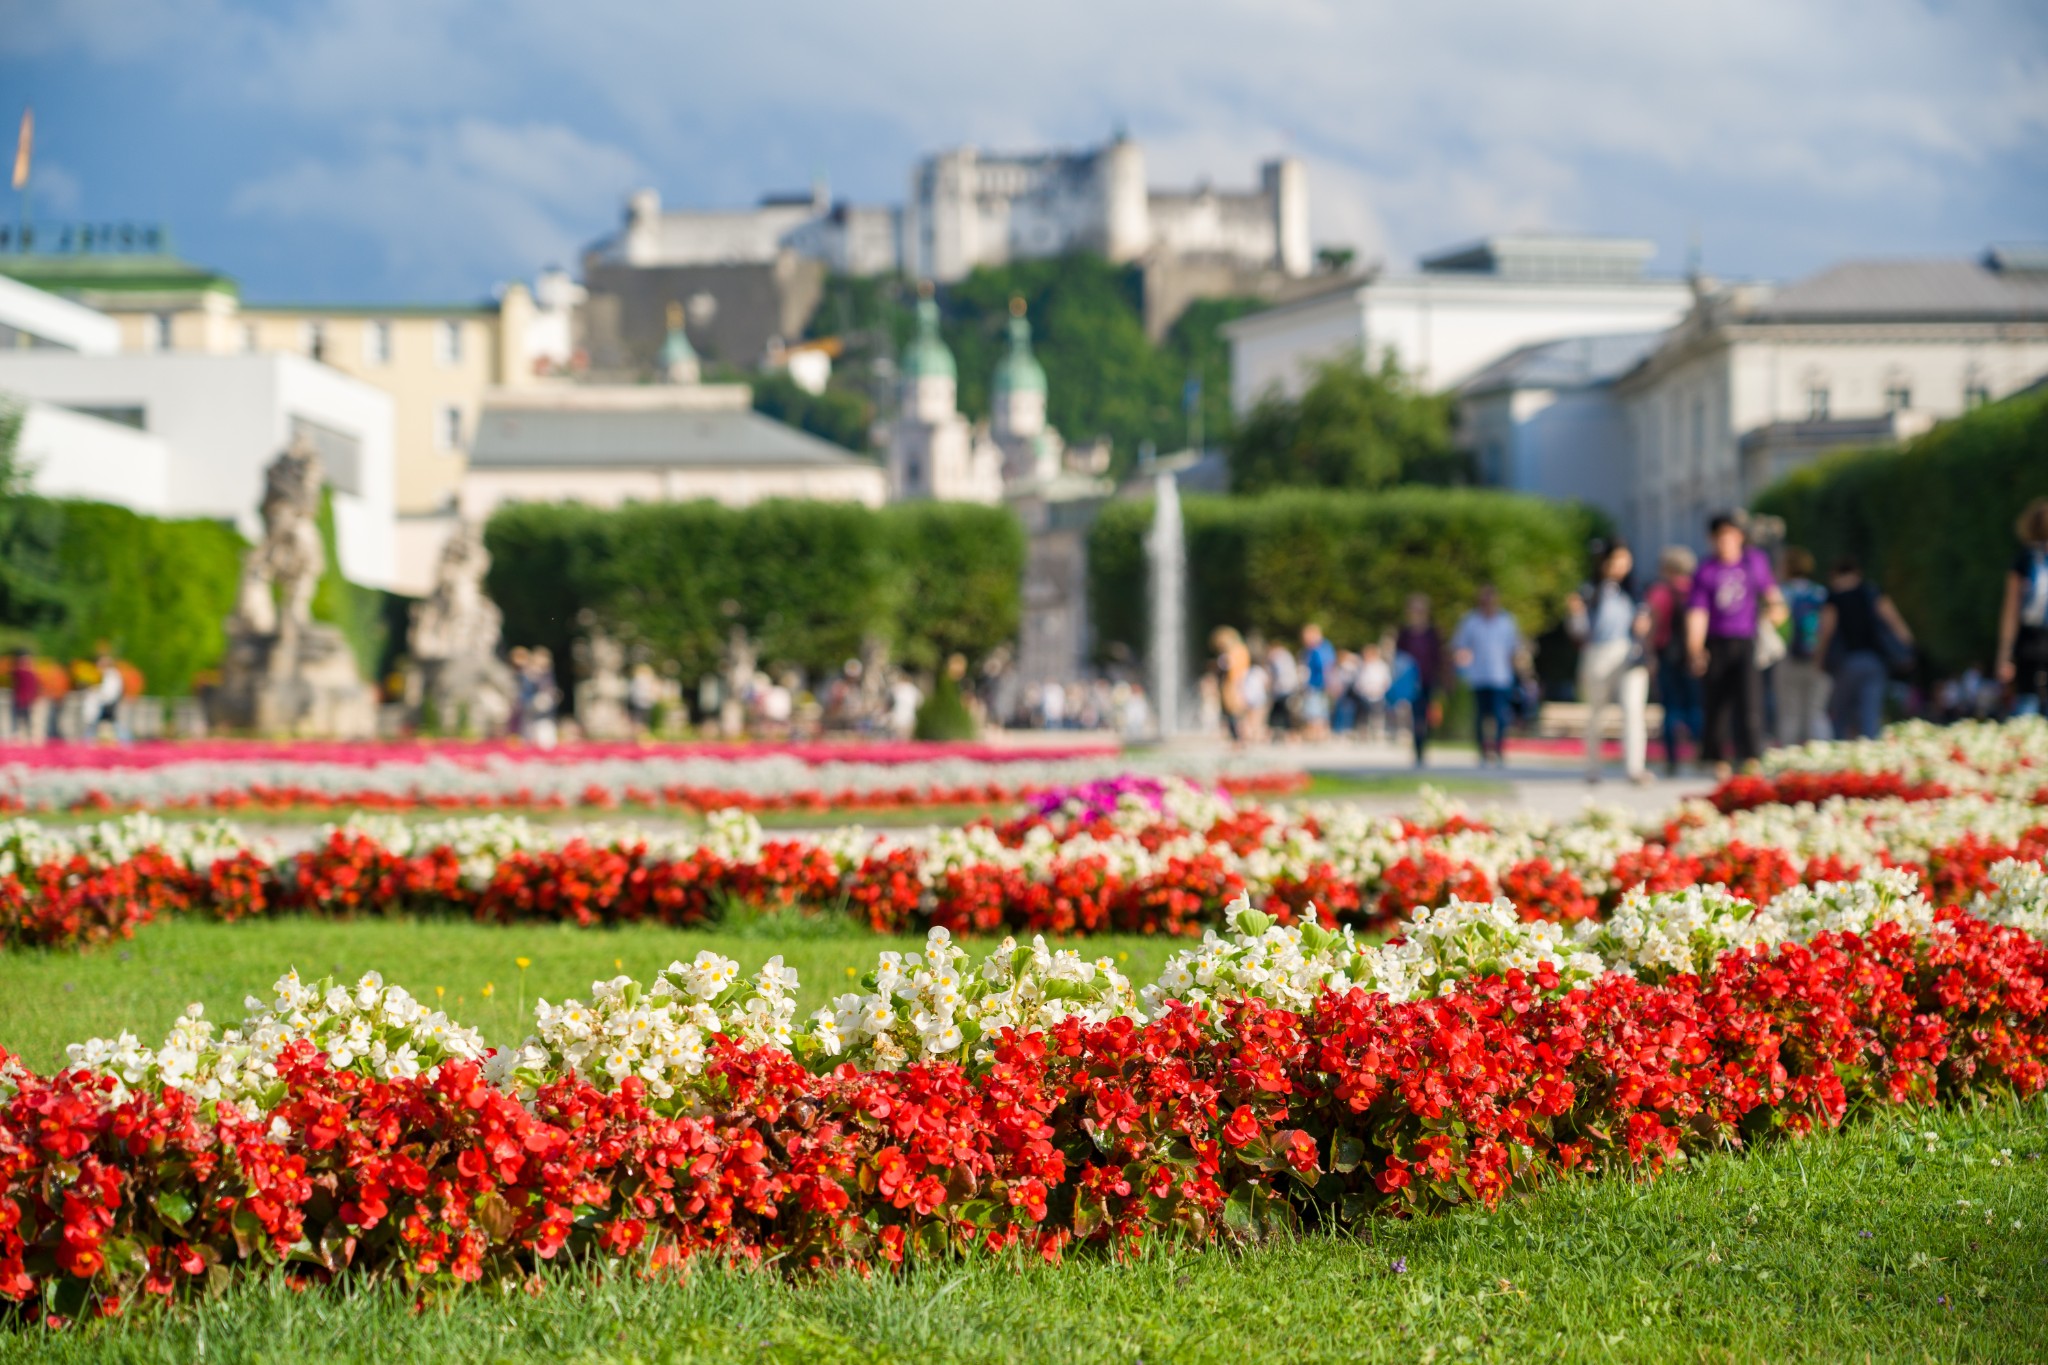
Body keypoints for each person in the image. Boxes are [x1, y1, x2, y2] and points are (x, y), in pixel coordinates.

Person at [1686, 513, 1786, 777]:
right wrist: (1695, 649)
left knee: (1750, 699)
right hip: (1717, 640)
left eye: (1731, 535)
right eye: (1720, 536)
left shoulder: (1754, 562)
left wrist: (1775, 612)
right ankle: (1716, 757)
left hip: (1746, 639)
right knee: (1716, 701)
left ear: (1740, 537)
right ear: (1712, 539)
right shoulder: (1706, 571)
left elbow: (1773, 597)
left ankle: (1750, 755)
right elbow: (1697, 612)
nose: (1725, 541)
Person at [1567, 541, 1652, 783]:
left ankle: (1635, 767)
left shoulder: (1635, 591)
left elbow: (1645, 624)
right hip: (1598, 653)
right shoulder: (1590, 591)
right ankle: (1593, 767)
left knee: (1633, 709)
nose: (1620, 566)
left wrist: (1644, 626)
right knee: (1596, 712)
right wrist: (1576, 614)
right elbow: (1580, 631)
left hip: (1630, 653)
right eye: (1615, 560)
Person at [1817, 555, 1914, 740]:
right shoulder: (1871, 592)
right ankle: (1869, 756)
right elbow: (1894, 621)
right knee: (1870, 713)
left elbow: (1826, 630)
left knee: (1841, 714)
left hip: (1845, 662)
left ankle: (1841, 755)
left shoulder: (1834, 598)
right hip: (1874, 660)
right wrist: (1907, 648)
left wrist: (1819, 658)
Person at [1645, 547, 1702, 775]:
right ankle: (1699, 751)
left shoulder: (1660, 592)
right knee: (1695, 706)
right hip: (1691, 654)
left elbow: (1652, 626)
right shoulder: (1695, 590)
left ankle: (1671, 759)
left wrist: (1648, 653)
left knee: (1670, 707)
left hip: (1667, 653)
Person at [1452, 585, 1521, 766]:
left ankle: (1498, 751)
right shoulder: (1471, 621)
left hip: (1501, 677)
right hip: (1479, 677)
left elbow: (1514, 649)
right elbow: (1460, 646)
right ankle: (1482, 752)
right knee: (1481, 716)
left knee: (1500, 716)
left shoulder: (1507, 621)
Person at [1996, 497, 2048, 718]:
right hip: (2035, 643)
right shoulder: (2028, 560)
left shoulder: (2025, 560)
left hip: (2030, 644)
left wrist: (2005, 655)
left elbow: (2011, 611)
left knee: (2028, 710)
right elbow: (2011, 610)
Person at [1774, 547, 1831, 746]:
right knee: (1816, 711)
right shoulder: (1820, 592)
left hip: (1787, 656)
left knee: (1789, 712)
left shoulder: (1780, 593)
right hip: (1818, 656)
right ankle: (1820, 761)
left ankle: (1789, 760)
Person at [1394, 596, 1443, 766]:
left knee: (1426, 716)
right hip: (1410, 681)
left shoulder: (1432, 633)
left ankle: (1423, 746)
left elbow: (1438, 657)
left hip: (1428, 679)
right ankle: (1417, 749)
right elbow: (1399, 657)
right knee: (1415, 716)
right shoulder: (1405, 634)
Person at [1210, 627, 1252, 745]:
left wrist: (1238, 688)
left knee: (1235, 714)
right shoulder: (1237, 651)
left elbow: (1236, 672)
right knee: (1233, 714)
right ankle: (1237, 739)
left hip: (1234, 685)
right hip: (1233, 684)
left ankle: (1239, 740)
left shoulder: (1237, 652)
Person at [1299, 624, 1336, 739]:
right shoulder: (1321, 648)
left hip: (1318, 685)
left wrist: (1330, 684)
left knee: (1315, 713)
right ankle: (1319, 735)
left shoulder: (1319, 649)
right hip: (1317, 685)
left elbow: (1327, 667)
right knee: (1319, 712)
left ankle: (1317, 735)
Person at [1355, 641, 1392, 743]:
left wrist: (1378, 690)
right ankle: (1363, 734)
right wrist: (1363, 690)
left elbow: (1386, 681)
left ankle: (1378, 734)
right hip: (1364, 695)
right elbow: (1358, 682)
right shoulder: (1362, 666)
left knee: (1378, 715)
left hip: (1378, 694)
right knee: (1363, 716)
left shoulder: (1381, 666)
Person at [1264, 641, 1298, 739]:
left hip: (1283, 690)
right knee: (1281, 714)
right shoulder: (1286, 657)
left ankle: (1288, 735)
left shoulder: (1280, 658)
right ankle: (1284, 735)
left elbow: (1278, 676)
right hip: (1285, 689)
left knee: (1283, 714)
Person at [8, 648, 39, 744]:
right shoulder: (18, 671)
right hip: (19, 699)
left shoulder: (31, 672)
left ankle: (30, 737)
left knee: (28, 720)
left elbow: (35, 686)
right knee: (17, 719)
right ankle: (17, 736)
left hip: (28, 699)